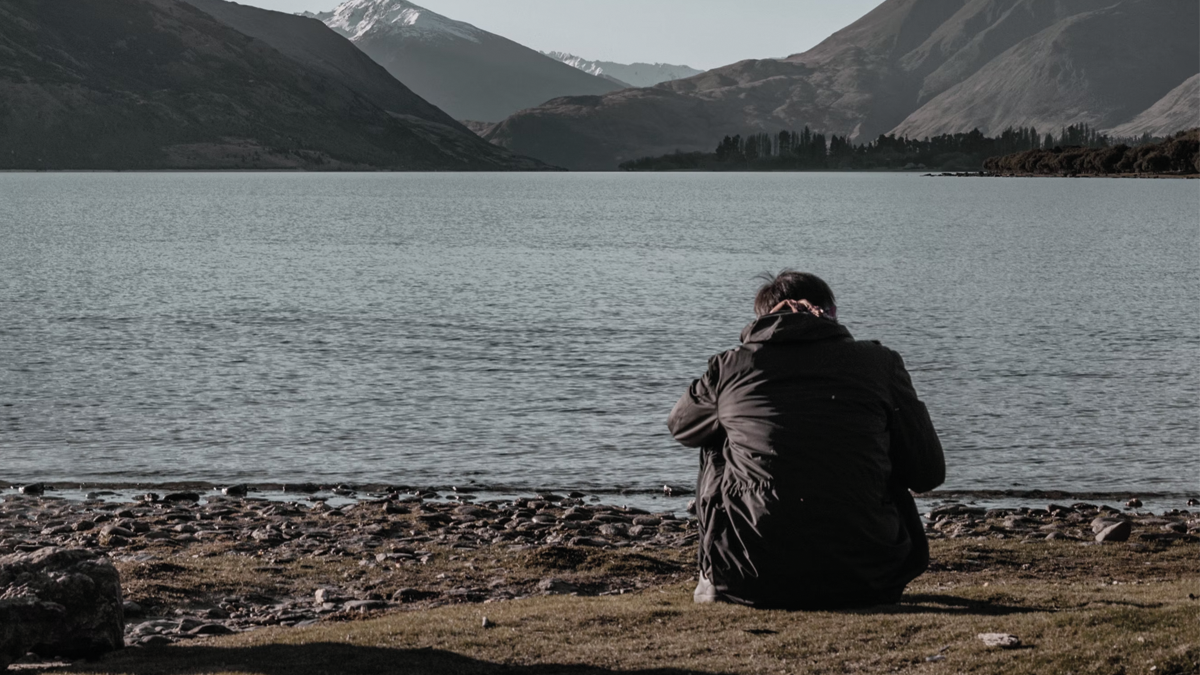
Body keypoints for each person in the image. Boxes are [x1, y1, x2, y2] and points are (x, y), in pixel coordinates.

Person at [667, 270, 945, 609]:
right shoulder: (879, 362)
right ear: (830, 312)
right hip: (872, 577)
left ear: (764, 317)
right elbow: (928, 472)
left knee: (715, 436)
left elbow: (681, 426)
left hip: (749, 577)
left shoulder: (731, 366)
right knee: (885, 436)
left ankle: (714, 576)